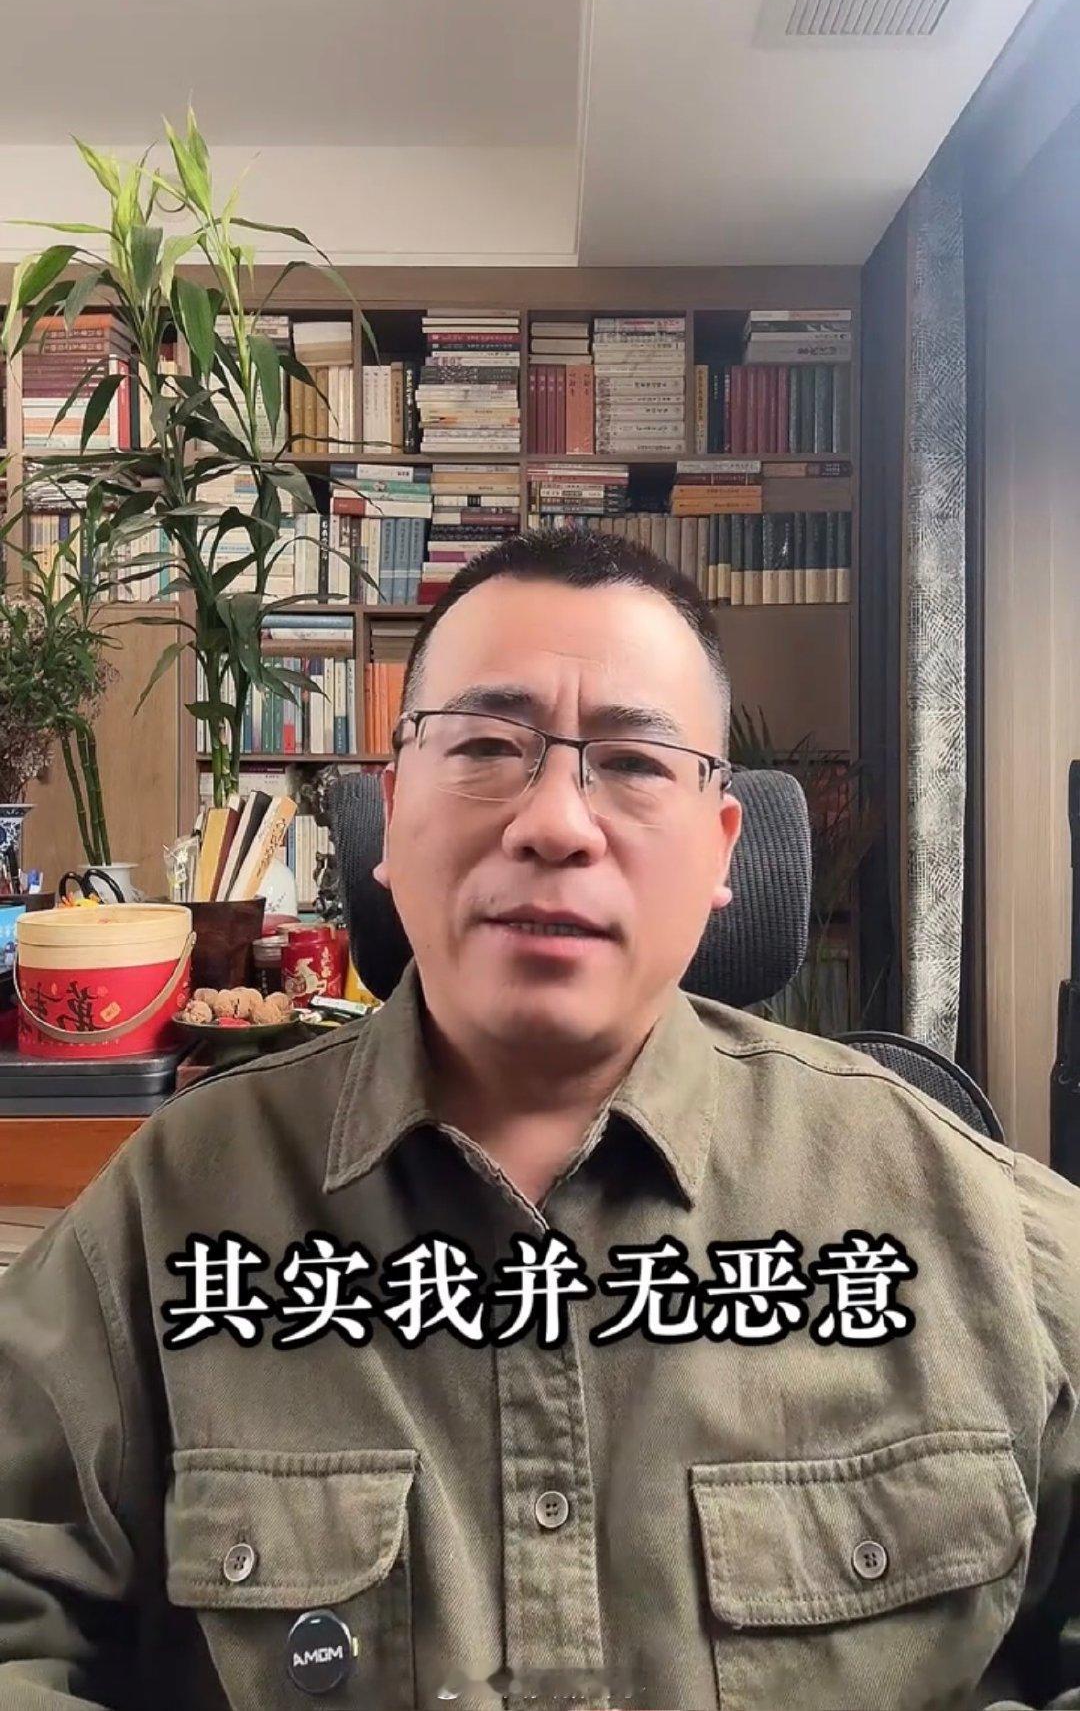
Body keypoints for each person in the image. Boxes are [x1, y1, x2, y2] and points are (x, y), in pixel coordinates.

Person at [0, 527, 1077, 1711]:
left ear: (721, 846)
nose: (556, 821)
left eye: (634, 761)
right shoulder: (173, 1208)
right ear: (391, 816)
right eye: (486, 746)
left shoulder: (960, 1217)